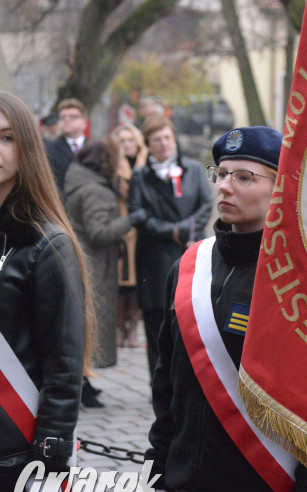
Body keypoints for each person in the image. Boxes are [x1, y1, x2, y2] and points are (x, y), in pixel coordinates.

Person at [146, 126, 307, 492]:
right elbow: (168, 385)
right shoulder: (189, 267)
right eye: (220, 173)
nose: (225, 186)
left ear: (281, 188)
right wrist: (157, 474)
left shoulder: (305, 279)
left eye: (244, 177)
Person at [0, 91, 90, 492]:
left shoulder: (46, 244)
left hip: (14, 459)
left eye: (6, 137)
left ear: (27, 150)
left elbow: (64, 365)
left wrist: (50, 467)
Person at [129, 115, 213, 378]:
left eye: (167, 137)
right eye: (157, 139)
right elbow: (137, 213)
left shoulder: (193, 169)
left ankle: (187, 381)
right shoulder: (141, 176)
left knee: (189, 319)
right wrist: (170, 231)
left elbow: (205, 204)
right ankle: (159, 383)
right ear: (147, 145)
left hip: (189, 251)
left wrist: (185, 229)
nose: (164, 143)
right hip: (154, 258)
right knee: (156, 323)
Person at [65, 138, 133, 373]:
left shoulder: (80, 183)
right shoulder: (95, 191)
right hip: (96, 265)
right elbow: (99, 232)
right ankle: (85, 378)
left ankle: (84, 378)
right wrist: (131, 220)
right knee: (92, 322)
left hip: (85, 261)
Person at [113, 123, 147, 348]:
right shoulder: (112, 165)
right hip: (121, 227)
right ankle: (120, 329)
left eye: (130, 140)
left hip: (143, 229)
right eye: (122, 141)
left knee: (137, 282)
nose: (126, 144)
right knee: (120, 281)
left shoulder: (146, 164)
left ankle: (133, 330)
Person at [44, 98, 89, 199]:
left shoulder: (95, 149)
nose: (66, 120)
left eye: (72, 117)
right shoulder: (49, 150)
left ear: (84, 122)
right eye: (63, 117)